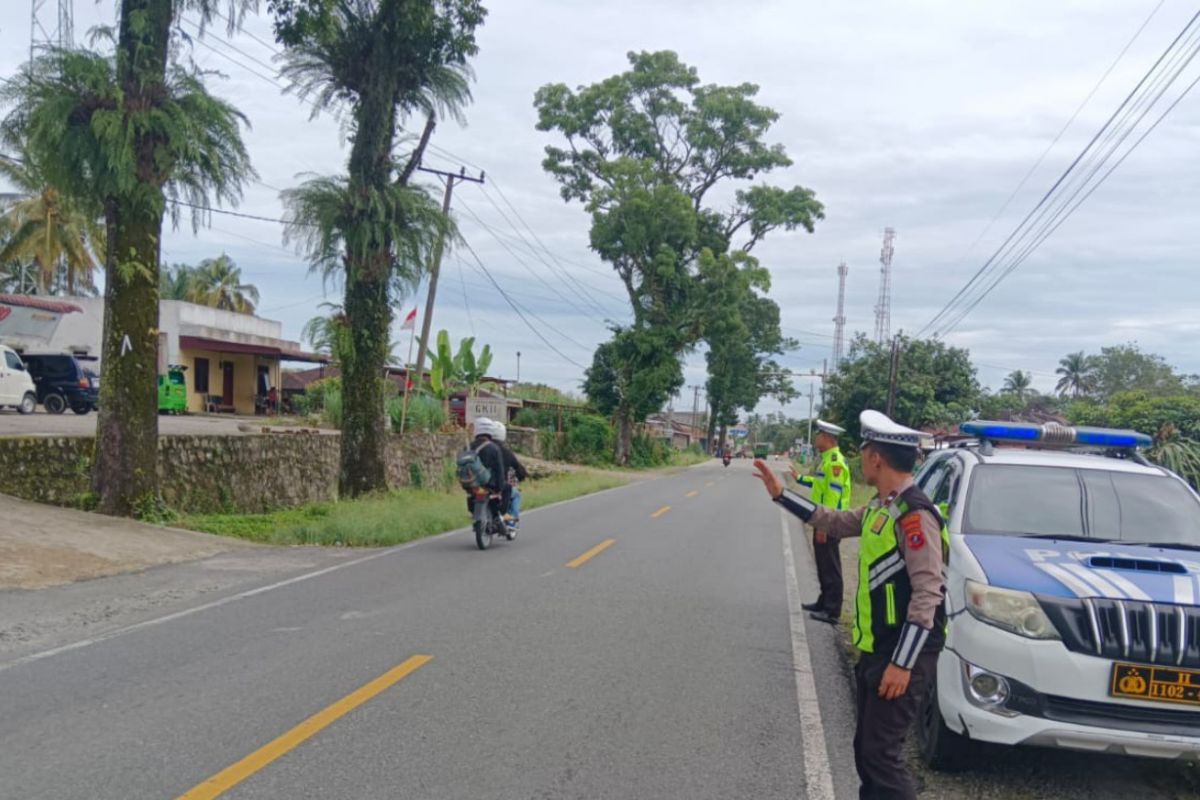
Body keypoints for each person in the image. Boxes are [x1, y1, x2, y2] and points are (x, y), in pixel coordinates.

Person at [754, 410, 948, 800]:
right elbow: (836, 520)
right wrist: (782, 497)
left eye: (865, 451)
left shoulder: (914, 515)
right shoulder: (884, 505)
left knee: (882, 757)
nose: (861, 458)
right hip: (878, 648)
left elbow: (929, 594)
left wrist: (901, 663)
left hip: (901, 653)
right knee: (868, 752)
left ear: (876, 457)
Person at [791, 420, 852, 625]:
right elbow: (819, 485)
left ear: (826, 437)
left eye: (818, 435)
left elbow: (833, 496)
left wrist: (825, 524)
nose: (816, 439)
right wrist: (799, 478)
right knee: (823, 563)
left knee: (831, 564)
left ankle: (832, 609)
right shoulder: (826, 460)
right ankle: (823, 601)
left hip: (831, 521)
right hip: (823, 518)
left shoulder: (834, 462)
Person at [464, 417, 507, 515]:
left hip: (471, 485)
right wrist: (499, 488)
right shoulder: (494, 448)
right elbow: (499, 469)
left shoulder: (467, 448)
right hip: (489, 485)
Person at [492, 421, 528, 532]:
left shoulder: (482, 447)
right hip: (498, 485)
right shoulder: (506, 452)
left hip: (482, 484)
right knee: (516, 494)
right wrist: (522, 476)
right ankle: (512, 521)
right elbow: (518, 467)